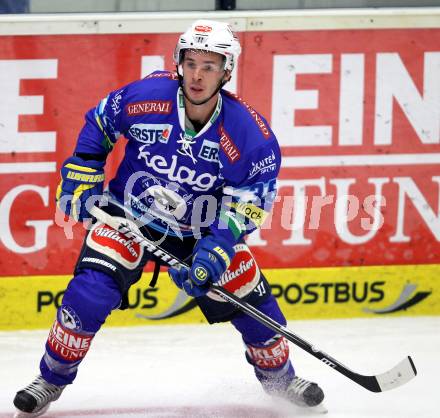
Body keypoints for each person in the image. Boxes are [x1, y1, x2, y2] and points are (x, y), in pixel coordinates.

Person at [13, 19, 324, 416]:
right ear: (178, 62)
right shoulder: (146, 96)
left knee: (253, 302)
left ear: (227, 72)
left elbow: (249, 204)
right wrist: (83, 172)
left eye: (209, 67)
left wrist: (214, 252)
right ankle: (50, 380)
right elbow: (100, 122)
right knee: (89, 294)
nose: (197, 75)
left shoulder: (249, 134)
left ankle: (281, 382)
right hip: (129, 214)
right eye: (190, 63)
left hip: (200, 230)